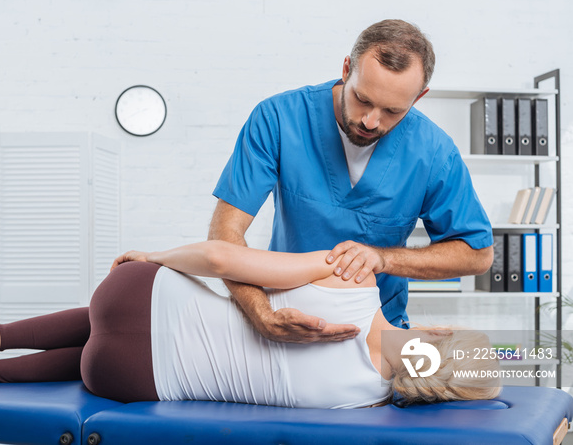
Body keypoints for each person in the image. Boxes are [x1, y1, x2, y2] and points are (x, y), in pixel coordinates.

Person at [0, 241, 501, 409]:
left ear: (439, 333)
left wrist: (153, 256)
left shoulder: (352, 280)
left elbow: (216, 259)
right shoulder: (359, 403)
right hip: (126, 378)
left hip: (130, 300)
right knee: (105, 351)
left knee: (125, 314)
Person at [209, 19, 494, 343]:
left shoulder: (433, 152)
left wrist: (384, 258)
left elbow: (477, 253)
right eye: (362, 99)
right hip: (285, 320)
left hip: (376, 332)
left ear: (418, 97)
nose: (371, 121)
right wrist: (261, 315)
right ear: (347, 68)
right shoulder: (277, 119)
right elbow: (224, 236)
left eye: (392, 110)